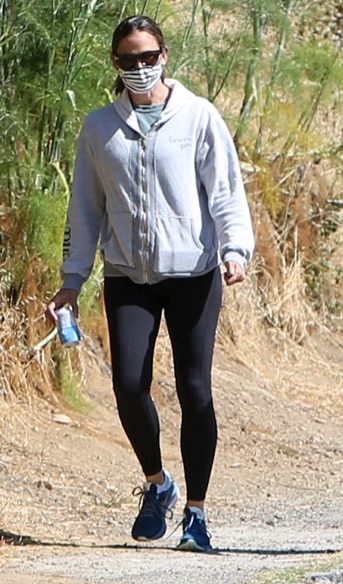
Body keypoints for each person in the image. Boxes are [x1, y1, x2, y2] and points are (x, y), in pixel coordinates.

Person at [45, 15, 255, 553]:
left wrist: (235, 249)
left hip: (194, 273)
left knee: (195, 388)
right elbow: (86, 208)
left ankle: (197, 516)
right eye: (128, 60)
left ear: (165, 54)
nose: (140, 68)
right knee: (130, 386)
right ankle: (159, 484)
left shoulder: (198, 117)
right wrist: (72, 279)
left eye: (148, 57)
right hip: (127, 276)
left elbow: (226, 190)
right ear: (114, 64)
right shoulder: (98, 128)